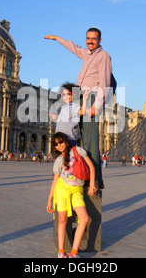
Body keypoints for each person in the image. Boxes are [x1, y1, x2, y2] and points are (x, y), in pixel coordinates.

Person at [45, 28, 113, 189]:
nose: (90, 41)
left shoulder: (103, 56)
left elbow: (105, 84)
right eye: (88, 38)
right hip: (81, 97)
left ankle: (95, 179)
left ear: (100, 40)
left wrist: (96, 105)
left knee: (90, 141)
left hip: (91, 99)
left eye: (93, 39)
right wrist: (57, 38)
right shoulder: (88, 55)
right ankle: (82, 173)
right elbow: (73, 47)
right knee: (81, 139)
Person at [46, 132, 96, 258]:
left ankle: (74, 252)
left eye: (61, 141)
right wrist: (50, 199)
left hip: (77, 190)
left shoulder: (77, 150)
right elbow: (55, 181)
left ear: (66, 141)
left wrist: (91, 185)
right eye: (55, 144)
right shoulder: (58, 161)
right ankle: (61, 251)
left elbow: (91, 166)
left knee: (84, 219)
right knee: (62, 218)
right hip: (62, 190)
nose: (59, 145)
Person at [49, 83, 90, 147]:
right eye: (63, 95)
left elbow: (82, 112)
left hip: (69, 138)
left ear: (74, 95)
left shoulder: (74, 106)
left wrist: (85, 100)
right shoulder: (64, 107)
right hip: (61, 137)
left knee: (69, 155)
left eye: (68, 94)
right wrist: (56, 118)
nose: (66, 97)